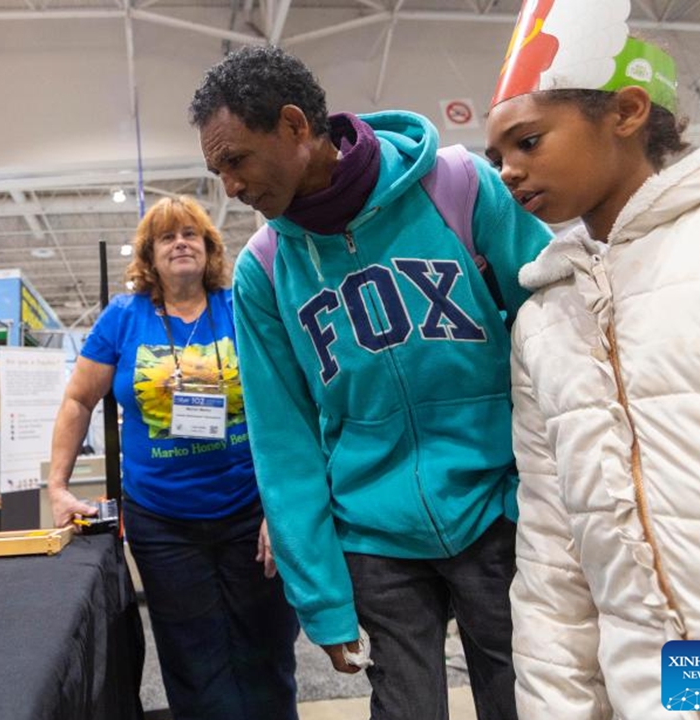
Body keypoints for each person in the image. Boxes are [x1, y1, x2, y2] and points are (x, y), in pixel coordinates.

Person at [189, 45, 552, 720]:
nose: (230, 188)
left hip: (499, 512)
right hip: (373, 536)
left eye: (236, 161)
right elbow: (283, 441)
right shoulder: (263, 271)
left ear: (296, 127)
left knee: (527, 702)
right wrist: (321, 597)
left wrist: (544, 493)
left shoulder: (458, 186)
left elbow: (550, 329)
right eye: (218, 171)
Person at [483, 1, 700, 716]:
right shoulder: (543, 320)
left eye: (529, 141)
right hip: (658, 686)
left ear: (627, 112)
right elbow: (552, 549)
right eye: (496, 157)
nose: (508, 171)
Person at [46, 196, 299, 720]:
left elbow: (287, 400)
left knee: (268, 648)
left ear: (209, 250)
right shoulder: (124, 317)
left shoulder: (240, 305)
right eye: (167, 237)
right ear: (149, 256)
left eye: (191, 234)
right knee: (192, 657)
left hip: (251, 512)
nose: (180, 242)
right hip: (163, 523)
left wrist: (284, 505)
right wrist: (57, 486)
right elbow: (77, 400)